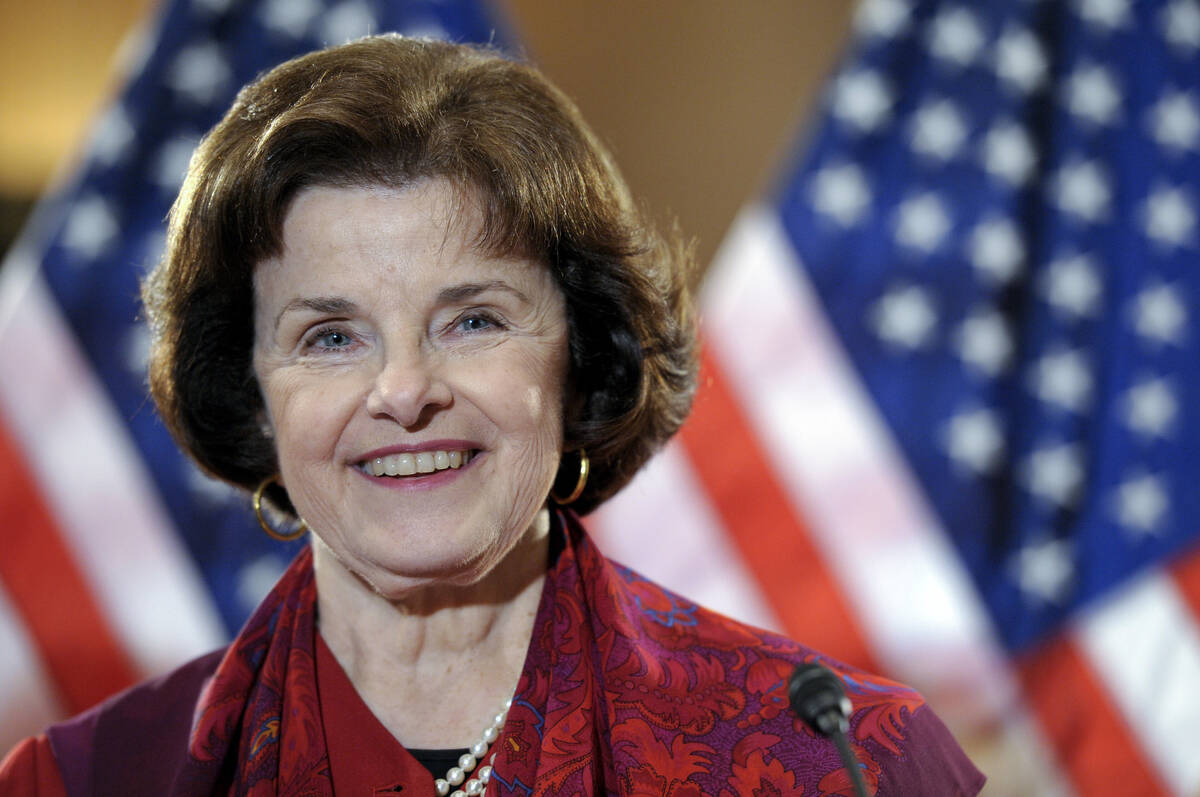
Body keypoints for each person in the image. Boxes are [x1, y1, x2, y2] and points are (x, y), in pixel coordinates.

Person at [0, 35, 984, 796]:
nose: (403, 389)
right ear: (252, 391)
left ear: (582, 354)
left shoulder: (837, 759)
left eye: (473, 320)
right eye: (331, 336)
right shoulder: (85, 781)